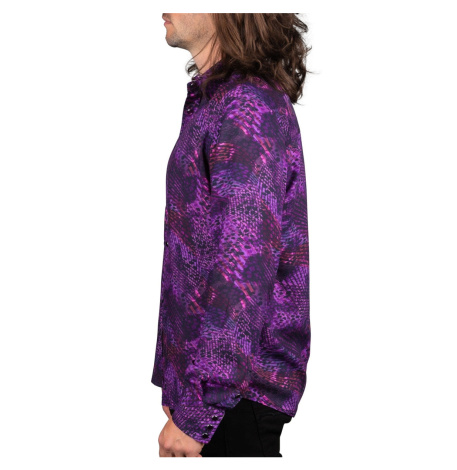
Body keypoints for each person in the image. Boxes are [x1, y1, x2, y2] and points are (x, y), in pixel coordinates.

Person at [152, 13, 311, 457]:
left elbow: (244, 264)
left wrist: (199, 411)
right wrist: (179, 385)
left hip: (235, 399)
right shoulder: (217, 100)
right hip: (215, 393)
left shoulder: (246, 105)